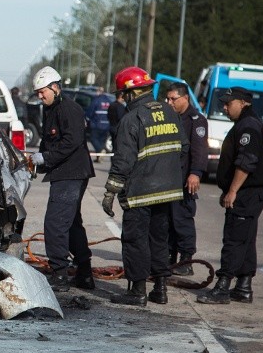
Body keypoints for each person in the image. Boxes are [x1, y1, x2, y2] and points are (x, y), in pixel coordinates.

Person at [101, 66, 187, 306]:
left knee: (135, 240)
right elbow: (183, 149)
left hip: (140, 193)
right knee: (159, 240)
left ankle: (137, 291)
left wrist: (110, 192)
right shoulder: (171, 114)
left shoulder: (131, 119)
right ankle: (160, 289)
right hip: (167, 191)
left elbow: (123, 162)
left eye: (122, 94)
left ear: (130, 94)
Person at [197, 87, 263, 305]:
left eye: (229, 103)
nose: (225, 107)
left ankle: (223, 287)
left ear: (243, 103)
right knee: (245, 238)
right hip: (249, 193)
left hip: (247, 193)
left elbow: (246, 162)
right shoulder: (245, 124)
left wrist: (232, 191)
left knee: (234, 239)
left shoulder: (248, 126)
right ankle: (244, 286)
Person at [29, 66, 96, 292]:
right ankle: (84, 273)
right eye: (38, 93)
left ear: (55, 87)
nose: (40, 96)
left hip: (72, 173)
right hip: (64, 172)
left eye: (42, 92)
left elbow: (70, 143)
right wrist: (38, 161)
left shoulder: (69, 109)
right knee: (71, 223)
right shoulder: (51, 109)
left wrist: (45, 158)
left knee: (55, 223)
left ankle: (59, 274)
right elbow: (49, 141)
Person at [165, 82, 209, 276]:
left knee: (182, 221)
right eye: (167, 99)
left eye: (173, 99)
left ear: (185, 98)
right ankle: (168, 258)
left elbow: (199, 150)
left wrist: (196, 173)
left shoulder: (196, 120)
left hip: (184, 179)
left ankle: (186, 261)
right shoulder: (169, 117)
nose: (169, 102)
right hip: (168, 179)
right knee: (167, 222)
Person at [84, 88, 113, 162]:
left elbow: (89, 112)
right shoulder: (109, 101)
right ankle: (98, 157)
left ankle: (100, 150)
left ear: (99, 92)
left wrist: (87, 119)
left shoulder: (96, 100)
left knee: (93, 139)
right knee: (101, 141)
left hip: (97, 124)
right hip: (106, 125)